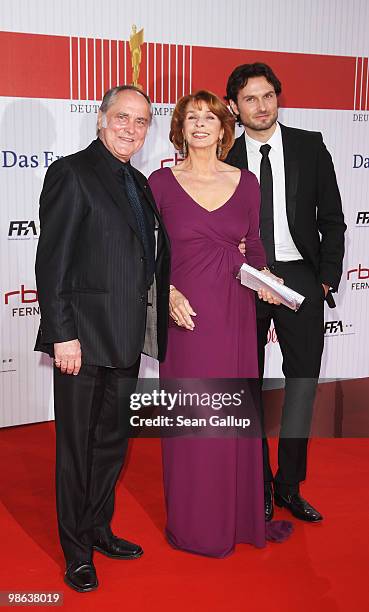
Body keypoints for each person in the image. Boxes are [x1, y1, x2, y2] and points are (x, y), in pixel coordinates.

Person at [35, 85, 170, 592]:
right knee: (77, 449)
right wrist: (62, 335)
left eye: (141, 121)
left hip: (126, 338)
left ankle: (98, 528)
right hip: (83, 342)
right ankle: (75, 552)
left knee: (111, 445)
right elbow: (53, 262)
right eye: (123, 118)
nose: (131, 128)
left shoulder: (139, 183)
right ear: (101, 119)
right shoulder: (71, 173)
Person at [148, 90, 292, 558]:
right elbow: (147, 251)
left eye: (210, 116)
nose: (202, 124)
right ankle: (194, 524)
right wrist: (164, 291)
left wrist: (266, 280)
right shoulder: (161, 182)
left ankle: (235, 517)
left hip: (234, 311)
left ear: (223, 127)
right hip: (184, 313)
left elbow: (254, 245)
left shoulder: (247, 182)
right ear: (181, 129)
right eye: (192, 118)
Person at [225, 63, 346, 523]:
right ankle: (257, 485)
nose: (261, 106)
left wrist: (325, 277)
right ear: (234, 107)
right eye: (250, 99)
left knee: (301, 386)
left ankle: (289, 484)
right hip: (245, 281)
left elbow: (332, 218)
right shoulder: (224, 155)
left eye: (268, 95)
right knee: (247, 387)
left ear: (278, 97)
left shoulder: (309, 147)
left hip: (301, 278)